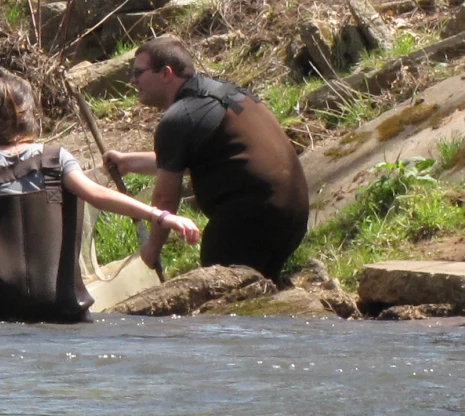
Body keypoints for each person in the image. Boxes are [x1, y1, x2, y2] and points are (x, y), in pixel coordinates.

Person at [0, 73, 199, 322]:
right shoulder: (55, 160)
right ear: (30, 116)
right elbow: (97, 194)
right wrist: (160, 215)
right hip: (61, 306)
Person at [101, 37, 310, 279]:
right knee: (258, 293)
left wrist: (152, 248)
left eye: (138, 72)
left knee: (223, 299)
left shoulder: (179, 117)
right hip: (293, 216)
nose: (132, 80)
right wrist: (128, 162)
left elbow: (165, 198)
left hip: (249, 220)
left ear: (166, 73)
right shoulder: (225, 94)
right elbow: (201, 159)